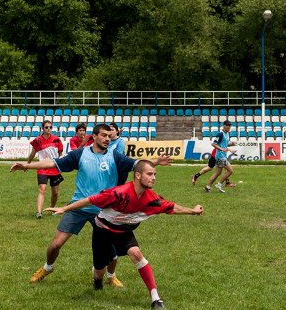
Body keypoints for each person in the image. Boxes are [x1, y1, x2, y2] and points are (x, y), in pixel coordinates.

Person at [10, 123, 172, 287]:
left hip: (105, 211)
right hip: (79, 207)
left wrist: (155, 161)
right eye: (103, 135)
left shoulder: (116, 157)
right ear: (93, 136)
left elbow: (139, 164)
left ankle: (110, 276)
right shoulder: (80, 154)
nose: (107, 139)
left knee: (112, 251)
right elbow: (53, 163)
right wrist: (27, 165)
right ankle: (48, 267)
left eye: (109, 136)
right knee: (55, 244)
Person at [44, 159, 203, 309]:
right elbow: (90, 200)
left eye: (155, 174)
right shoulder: (118, 193)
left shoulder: (151, 199)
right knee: (100, 270)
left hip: (123, 232)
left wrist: (193, 211)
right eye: (150, 174)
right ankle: (98, 280)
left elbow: (173, 207)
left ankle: (155, 298)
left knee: (136, 254)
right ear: (138, 175)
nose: (153, 178)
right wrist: (64, 209)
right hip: (102, 231)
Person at [25, 120, 64, 219]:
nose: (49, 129)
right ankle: (39, 212)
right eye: (46, 127)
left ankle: (52, 207)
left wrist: (61, 164)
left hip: (54, 168)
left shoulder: (57, 140)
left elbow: (60, 154)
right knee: (42, 189)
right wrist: (27, 165)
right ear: (42, 128)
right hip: (42, 168)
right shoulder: (37, 140)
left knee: (55, 192)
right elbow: (33, 154)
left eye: (50, 127)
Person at [203, 120, 237, 193]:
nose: (229, 127)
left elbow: (225, 144)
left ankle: (207, 187)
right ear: (224, 126)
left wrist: (232, 144)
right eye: (228, 126)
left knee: (217, 173)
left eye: (230, 126)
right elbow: (213, 144)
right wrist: (223, 149)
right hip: (220, 156)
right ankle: (219, 184)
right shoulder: (220, 134)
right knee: (230, 171)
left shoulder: (227, 134)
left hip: (222, 155)